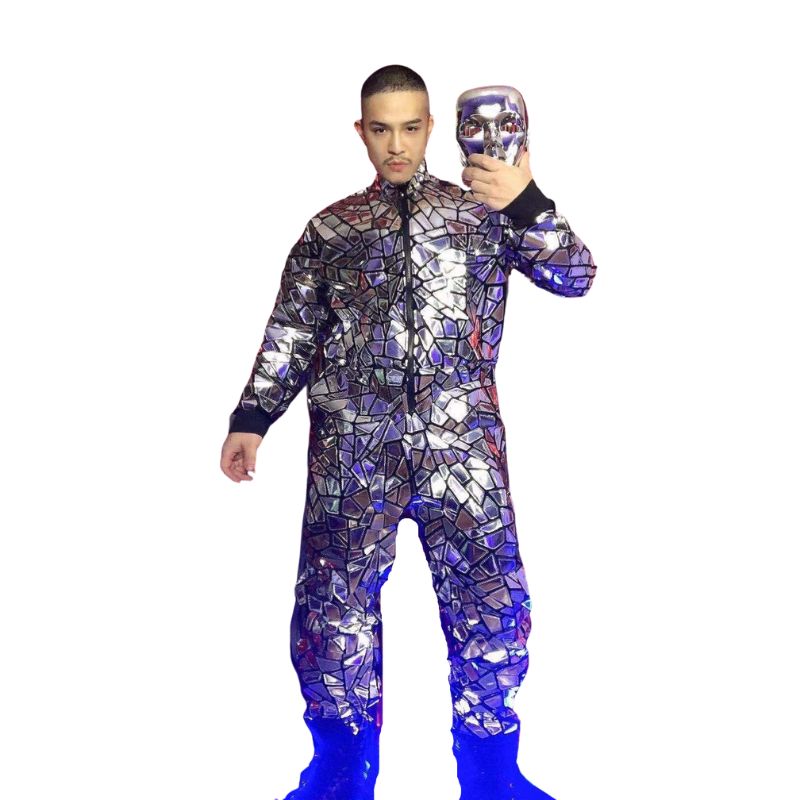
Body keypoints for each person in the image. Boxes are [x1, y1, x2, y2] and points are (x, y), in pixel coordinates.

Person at [220, 64, 596, 800]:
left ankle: (492, 774)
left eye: (411, 127)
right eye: (382, 129)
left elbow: (576, 276)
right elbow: (292, 332)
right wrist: (252, 419)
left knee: (491, 602)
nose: (397, 144)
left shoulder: (484, 213)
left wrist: (527, 201)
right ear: (361, 132)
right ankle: (339, 770)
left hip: (464, 449)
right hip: (352, 452)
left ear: (431, 129)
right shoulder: (331, 230)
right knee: (333, 608)